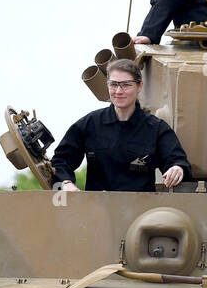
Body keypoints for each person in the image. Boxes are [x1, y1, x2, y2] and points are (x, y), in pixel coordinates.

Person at [50, 59, 190, 192]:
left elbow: (176, 160)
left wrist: (177, 168)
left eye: (126, 85)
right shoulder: (90, 124)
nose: (118, 91)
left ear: (139, 86)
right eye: (114, 84)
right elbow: (61, 160)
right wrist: (66, 183)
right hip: (97, 209)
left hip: (142, 212)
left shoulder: (156, 128)